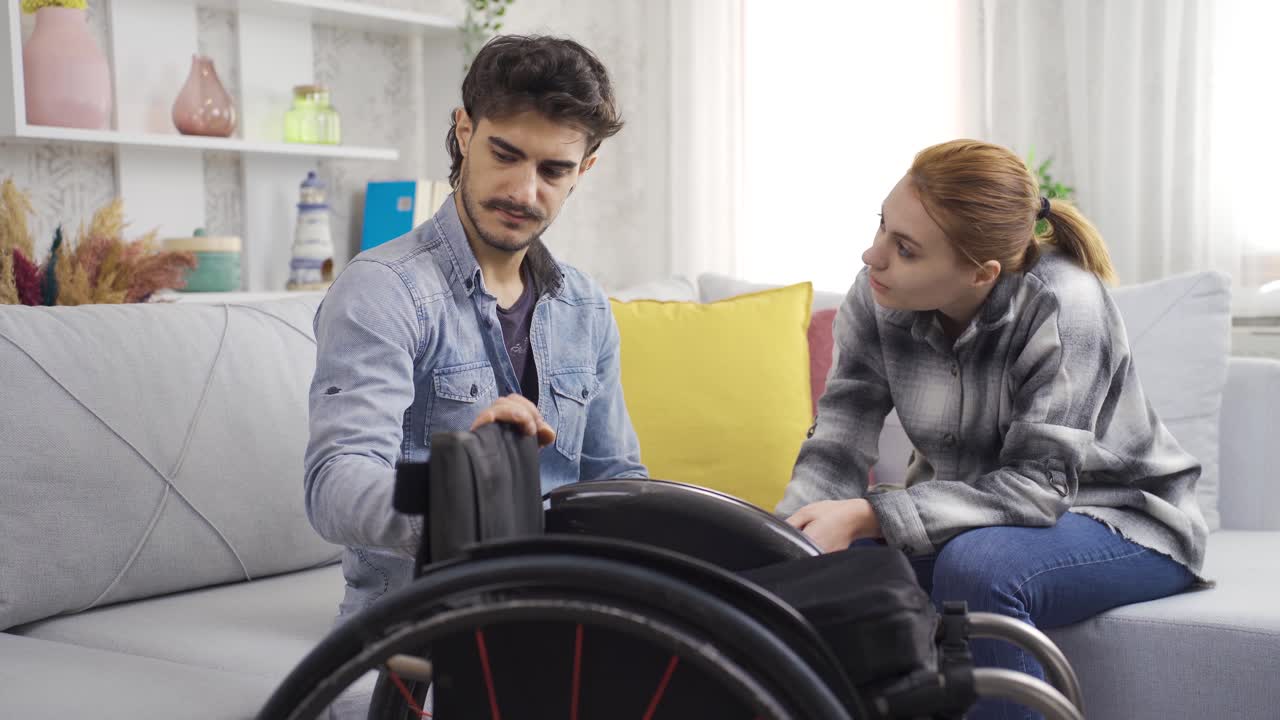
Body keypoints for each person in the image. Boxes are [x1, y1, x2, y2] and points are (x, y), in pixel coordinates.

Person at [778, 139, 1206, 719]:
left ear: (981, 274)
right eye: (882, 226)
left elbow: (1036, 488)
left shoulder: (1065, 303)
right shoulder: (876, 297)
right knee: (818, 567)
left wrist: (871, 514)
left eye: (904, 249)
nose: (871, 256)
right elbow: (840, 434)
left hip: (1123, 518)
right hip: (970, 518)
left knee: (976, 567)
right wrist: (785, 540)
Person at [302, 34, 647, 716]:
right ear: (465, 132)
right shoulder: (384, 290)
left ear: (586, 169)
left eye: (553, 169)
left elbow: (619, 483)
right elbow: (333, 487)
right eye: (505, 154)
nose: (524, 190)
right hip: (410, 635)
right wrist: (464, 490)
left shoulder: (584, 305)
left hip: (556, 625)